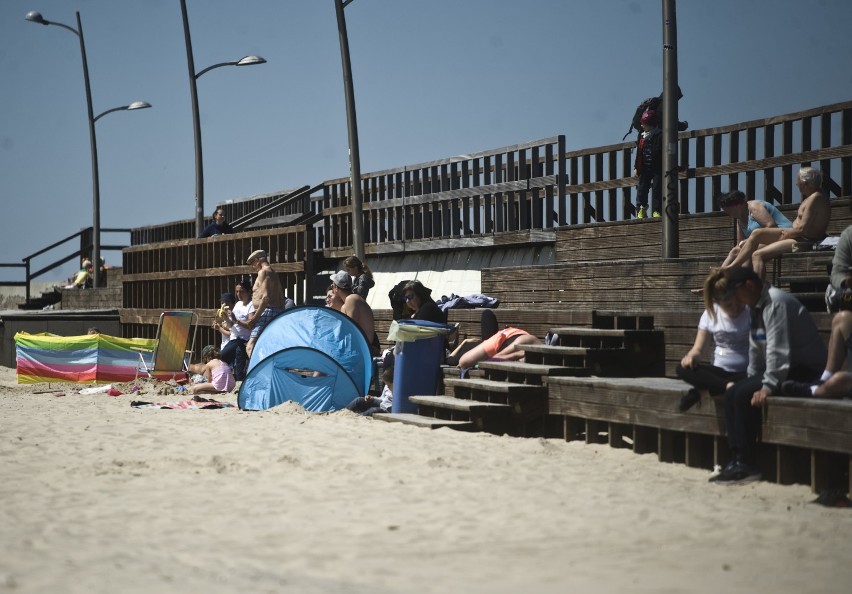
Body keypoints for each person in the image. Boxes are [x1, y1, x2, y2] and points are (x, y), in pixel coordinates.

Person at [709, 267, 827, 485]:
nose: (736, 300)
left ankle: (746, 463)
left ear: (750, 286)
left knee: (742, 394)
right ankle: (737, 459)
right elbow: (756, 349)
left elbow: (778, 350)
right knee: (734, 391)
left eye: (737, 293)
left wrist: (766, 387)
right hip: (786, 367)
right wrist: (751, 379)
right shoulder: (757, 305)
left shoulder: (775, 303)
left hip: (805, 370)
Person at [781, 228, 852, 399]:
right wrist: (846, 282)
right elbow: (838, 273)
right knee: (842, 319)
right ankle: (823, 379)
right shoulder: (849, 235)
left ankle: (815, 391)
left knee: (841, 380)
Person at [723, 167, 831, 279]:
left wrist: (784, 235)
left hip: (804, 241)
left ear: (805, 183)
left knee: (757, 254)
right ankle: (730, 269)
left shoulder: (816, 198)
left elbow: (801, 229)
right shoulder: (813, 197)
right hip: (799, 238)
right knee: (756, 234)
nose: (796, 184)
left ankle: (755, 289)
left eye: (798, 181)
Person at [676, 269, 751, 412]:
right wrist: (691, 357)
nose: (735, 308)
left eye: (738, 303)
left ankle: (702, 392)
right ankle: (726, 386)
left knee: (759, 375)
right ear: (717, 302)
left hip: (747, 370)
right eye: (728, 305)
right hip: (719, 371)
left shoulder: (750, 311)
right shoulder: (710, 314)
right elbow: (699, 349)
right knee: (682, 369)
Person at [718, 191, 792, 268]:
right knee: (735, 251)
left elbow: (771, 226)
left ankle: (749, 279)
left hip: (785, 236)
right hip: (765, 241)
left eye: (729, 211)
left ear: (737, 205)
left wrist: (749, 240)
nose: (729, 215)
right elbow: (740, 243)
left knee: (748, 254)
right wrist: (737, 249)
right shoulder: (739, 219)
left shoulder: (754, 207)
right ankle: (719, 274)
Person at [244, 250, 287, 358]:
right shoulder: (273, 272)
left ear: (257, 260)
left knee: (250, 346)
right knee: (269, 346)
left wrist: (254, 319)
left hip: (267, 311)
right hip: (277, 310)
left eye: (253, 264)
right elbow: (281, 297)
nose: (253, 267)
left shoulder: (263, 272)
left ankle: (256, 371)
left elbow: (265, 297)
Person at [329, 270, 380, 356]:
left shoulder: (351, 299)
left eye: (332, 286)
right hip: (360, 348)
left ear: (337, 288)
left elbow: (351, 329)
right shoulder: (347, 304)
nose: (332, 289)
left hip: (365, 350)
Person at [219, 282, 255, 381]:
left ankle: (240, 379)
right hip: (234, 338)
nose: (238, 294)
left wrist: (235, 320)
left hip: (244, 339)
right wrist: (225, 317)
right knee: (222, 356)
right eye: (237, 291)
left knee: (239, 356)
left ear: (248, 292)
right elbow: (231, 325)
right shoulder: (238, 304)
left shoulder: (251, 305)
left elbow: (250, 324)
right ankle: (228, 377)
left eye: (241, 291)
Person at [632, 109, 662, 219]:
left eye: (643, 124)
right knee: (642, 189)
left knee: (657, 189)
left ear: (650, 125)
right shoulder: (642, 136)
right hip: (644, 167)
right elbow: (639, 152)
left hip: (657, 167)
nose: (641, 126)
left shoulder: (659, 135)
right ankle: (641, 208)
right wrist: (636, 167)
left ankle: (657, 211)